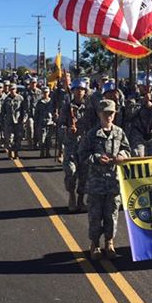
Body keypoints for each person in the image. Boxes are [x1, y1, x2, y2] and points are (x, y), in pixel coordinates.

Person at [77, 99, 130, 260]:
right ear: (99, 114)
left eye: (111, 113)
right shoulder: (92, 134)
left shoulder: (119, 132)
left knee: (112, 215)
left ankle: (109, 242)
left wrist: (122, 155)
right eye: (105, 113)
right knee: (95, 215)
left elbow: (127, 149)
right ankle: (94, 244)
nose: (108, 116)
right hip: (96, 182)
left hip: (114, 181)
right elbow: (82, 154)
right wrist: (96, 158)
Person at [59, 79, 90, 212]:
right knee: (71, 172)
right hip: (71, 145)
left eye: (81, 90)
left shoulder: (89, 107)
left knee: (84, 174)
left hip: (84, 145)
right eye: (76, 89)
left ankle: (81, 199)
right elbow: (60, 125)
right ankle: (72, 196)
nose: (79, 92)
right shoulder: (66, 107)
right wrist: (67, 129)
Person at [2, 83, 26, 160]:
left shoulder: (20, 98)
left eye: (13, 89)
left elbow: (24, 110)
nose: (12, 91)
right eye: (11, 89)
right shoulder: (6, 99)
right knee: (9, 138)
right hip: (9, 122)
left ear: (16, 90)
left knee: (18, 138)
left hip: (18, 121)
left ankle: (16, 153)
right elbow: (3, 111)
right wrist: (2, 120)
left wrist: (24, 119)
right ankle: (10, 152)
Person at [34, 87, 54, 158]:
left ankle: (48, 152)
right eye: (44, 92)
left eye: (47, 92)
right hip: (41, 122)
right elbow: (36, 113)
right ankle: (42, 152)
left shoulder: (52, 102)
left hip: (50, 122)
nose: (46, 94)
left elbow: (55, 112)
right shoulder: (39, 102)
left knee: (49, 139)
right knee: (42, 139)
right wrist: (36, 123)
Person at [22, 78, 41, 149]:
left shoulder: (40, 92)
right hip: (29, 114)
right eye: (32, 83)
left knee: (37, 130)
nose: (33, 84)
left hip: (38, 114)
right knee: (30, 127)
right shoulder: (26, 93)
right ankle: (30, 143)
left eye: (34, 83)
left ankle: (36, 143)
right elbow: (23, 104)